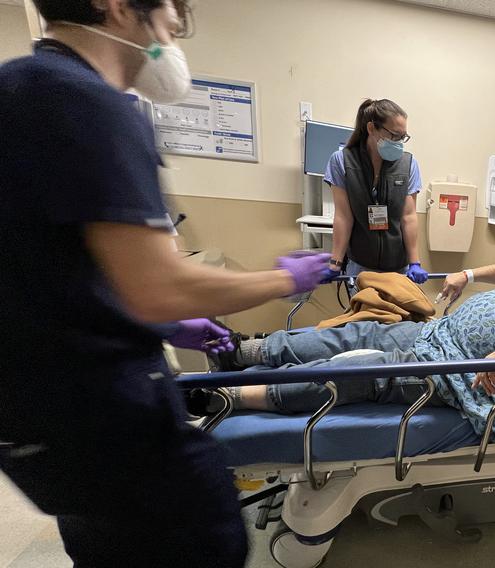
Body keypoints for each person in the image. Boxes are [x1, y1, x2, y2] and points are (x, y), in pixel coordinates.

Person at [0, 1, 328, 566]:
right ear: (119, 7)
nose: (172, 47)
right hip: (107, 420)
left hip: (42, 423)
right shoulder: (89, 103)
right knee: (207, 536)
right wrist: (281, 279)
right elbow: (157, 285)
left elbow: (55, 265)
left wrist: (168, 323)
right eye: (171, 30)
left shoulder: (17, 87)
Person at [221, 220, 495, 453]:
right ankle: (240, 351)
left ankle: (232, 397)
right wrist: (467, 274)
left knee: (360, 372)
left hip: (460, 375)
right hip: (435, 333)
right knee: (356, 333)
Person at [323, 98, 428, 284]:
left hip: (398, 266)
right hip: (361, 265)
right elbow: (343, 216)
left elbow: (409, 216)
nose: (399, 142)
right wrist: (335, 262)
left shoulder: (408, 164)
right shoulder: (342, 161)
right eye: (394, 135)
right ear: (371, 129)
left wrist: (415, 263)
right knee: (364, 313)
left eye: (403, 137)